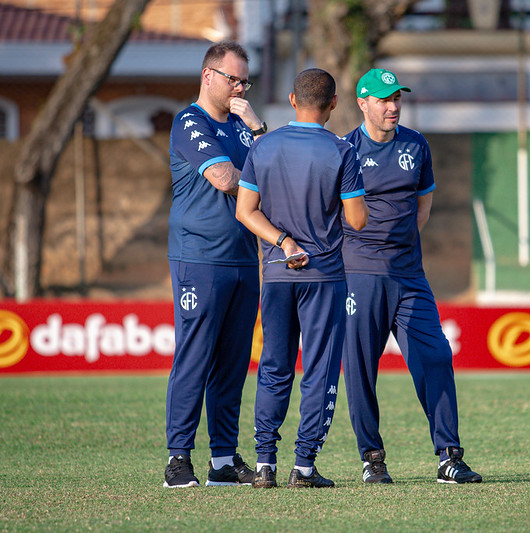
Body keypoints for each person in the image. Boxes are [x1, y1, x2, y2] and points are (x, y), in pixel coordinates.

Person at [341, 68, 482, 484]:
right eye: (384, 99)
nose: (393, 106)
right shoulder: (344, 149)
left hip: (409, 276)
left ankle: (449, 456)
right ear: (363, 103)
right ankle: (372, 458)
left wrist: (399, 248)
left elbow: (423, 204)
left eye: (397, 98)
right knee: (361, 369)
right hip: (359, 276)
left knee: (436, 355)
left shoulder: (416, 144)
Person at [236, 68, 368, 489]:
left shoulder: (263, 146)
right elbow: (357, 220)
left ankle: (264, 465)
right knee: (320, 370)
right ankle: (305, 468)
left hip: (276, 272)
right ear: (332, 105)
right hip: (324, 276)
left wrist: (284, 241)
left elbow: (246, 211)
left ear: (292, 100)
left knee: (274, 367)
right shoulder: (342, 151)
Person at [164, 40, 268, 488]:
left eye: (246, 80)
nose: (240, 87)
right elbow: (225, 179)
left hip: (245, 259)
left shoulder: (247, 128)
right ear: (209, 76)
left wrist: (259, 128)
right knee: (195, 356)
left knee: (232, 362)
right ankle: (178, 459)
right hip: (199, 258)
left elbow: (278, 172)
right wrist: (262, 174)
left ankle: (223, 461)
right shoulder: (189, 121)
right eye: (233, 79)